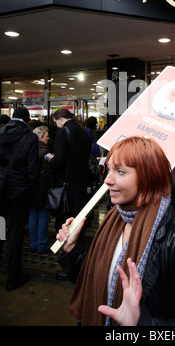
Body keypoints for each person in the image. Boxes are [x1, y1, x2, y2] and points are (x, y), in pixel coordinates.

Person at [56, 136, 175, 326]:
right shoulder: (111, 222)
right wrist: (72, 249)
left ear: (148, 177)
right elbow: (94, 282)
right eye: (108, 170)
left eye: (121, 172)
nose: (107, 180)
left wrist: (141, 322)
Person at [0, 107, 40, 291]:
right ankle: (13, 277)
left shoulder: (1, 132)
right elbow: (32, 170)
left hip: (1, 190)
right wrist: (35, 192)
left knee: (0, 230)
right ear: (27, 119)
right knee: (16, 233)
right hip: (19, 192)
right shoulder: (30, 137)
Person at [49, 108, 92, 279]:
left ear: (60, 119)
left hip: (66, 187)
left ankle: (70, 267)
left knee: (65, 225)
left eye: (55, 121)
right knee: (79, 224)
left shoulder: (63, 133)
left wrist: (51, 160)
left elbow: (59, 161)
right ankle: (82, 261)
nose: (56, 125)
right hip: (81, 186)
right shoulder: (83, 133)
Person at [28, 126, 54, 253]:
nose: (48, 138)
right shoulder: (44, 151)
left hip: (31, 187)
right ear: (40, 136)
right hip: (42, 188)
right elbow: (49, 172)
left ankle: (33, 243)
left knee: (32, 215)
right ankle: (42, 244)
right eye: (46, 136)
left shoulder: (29, 148)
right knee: (43, 215)